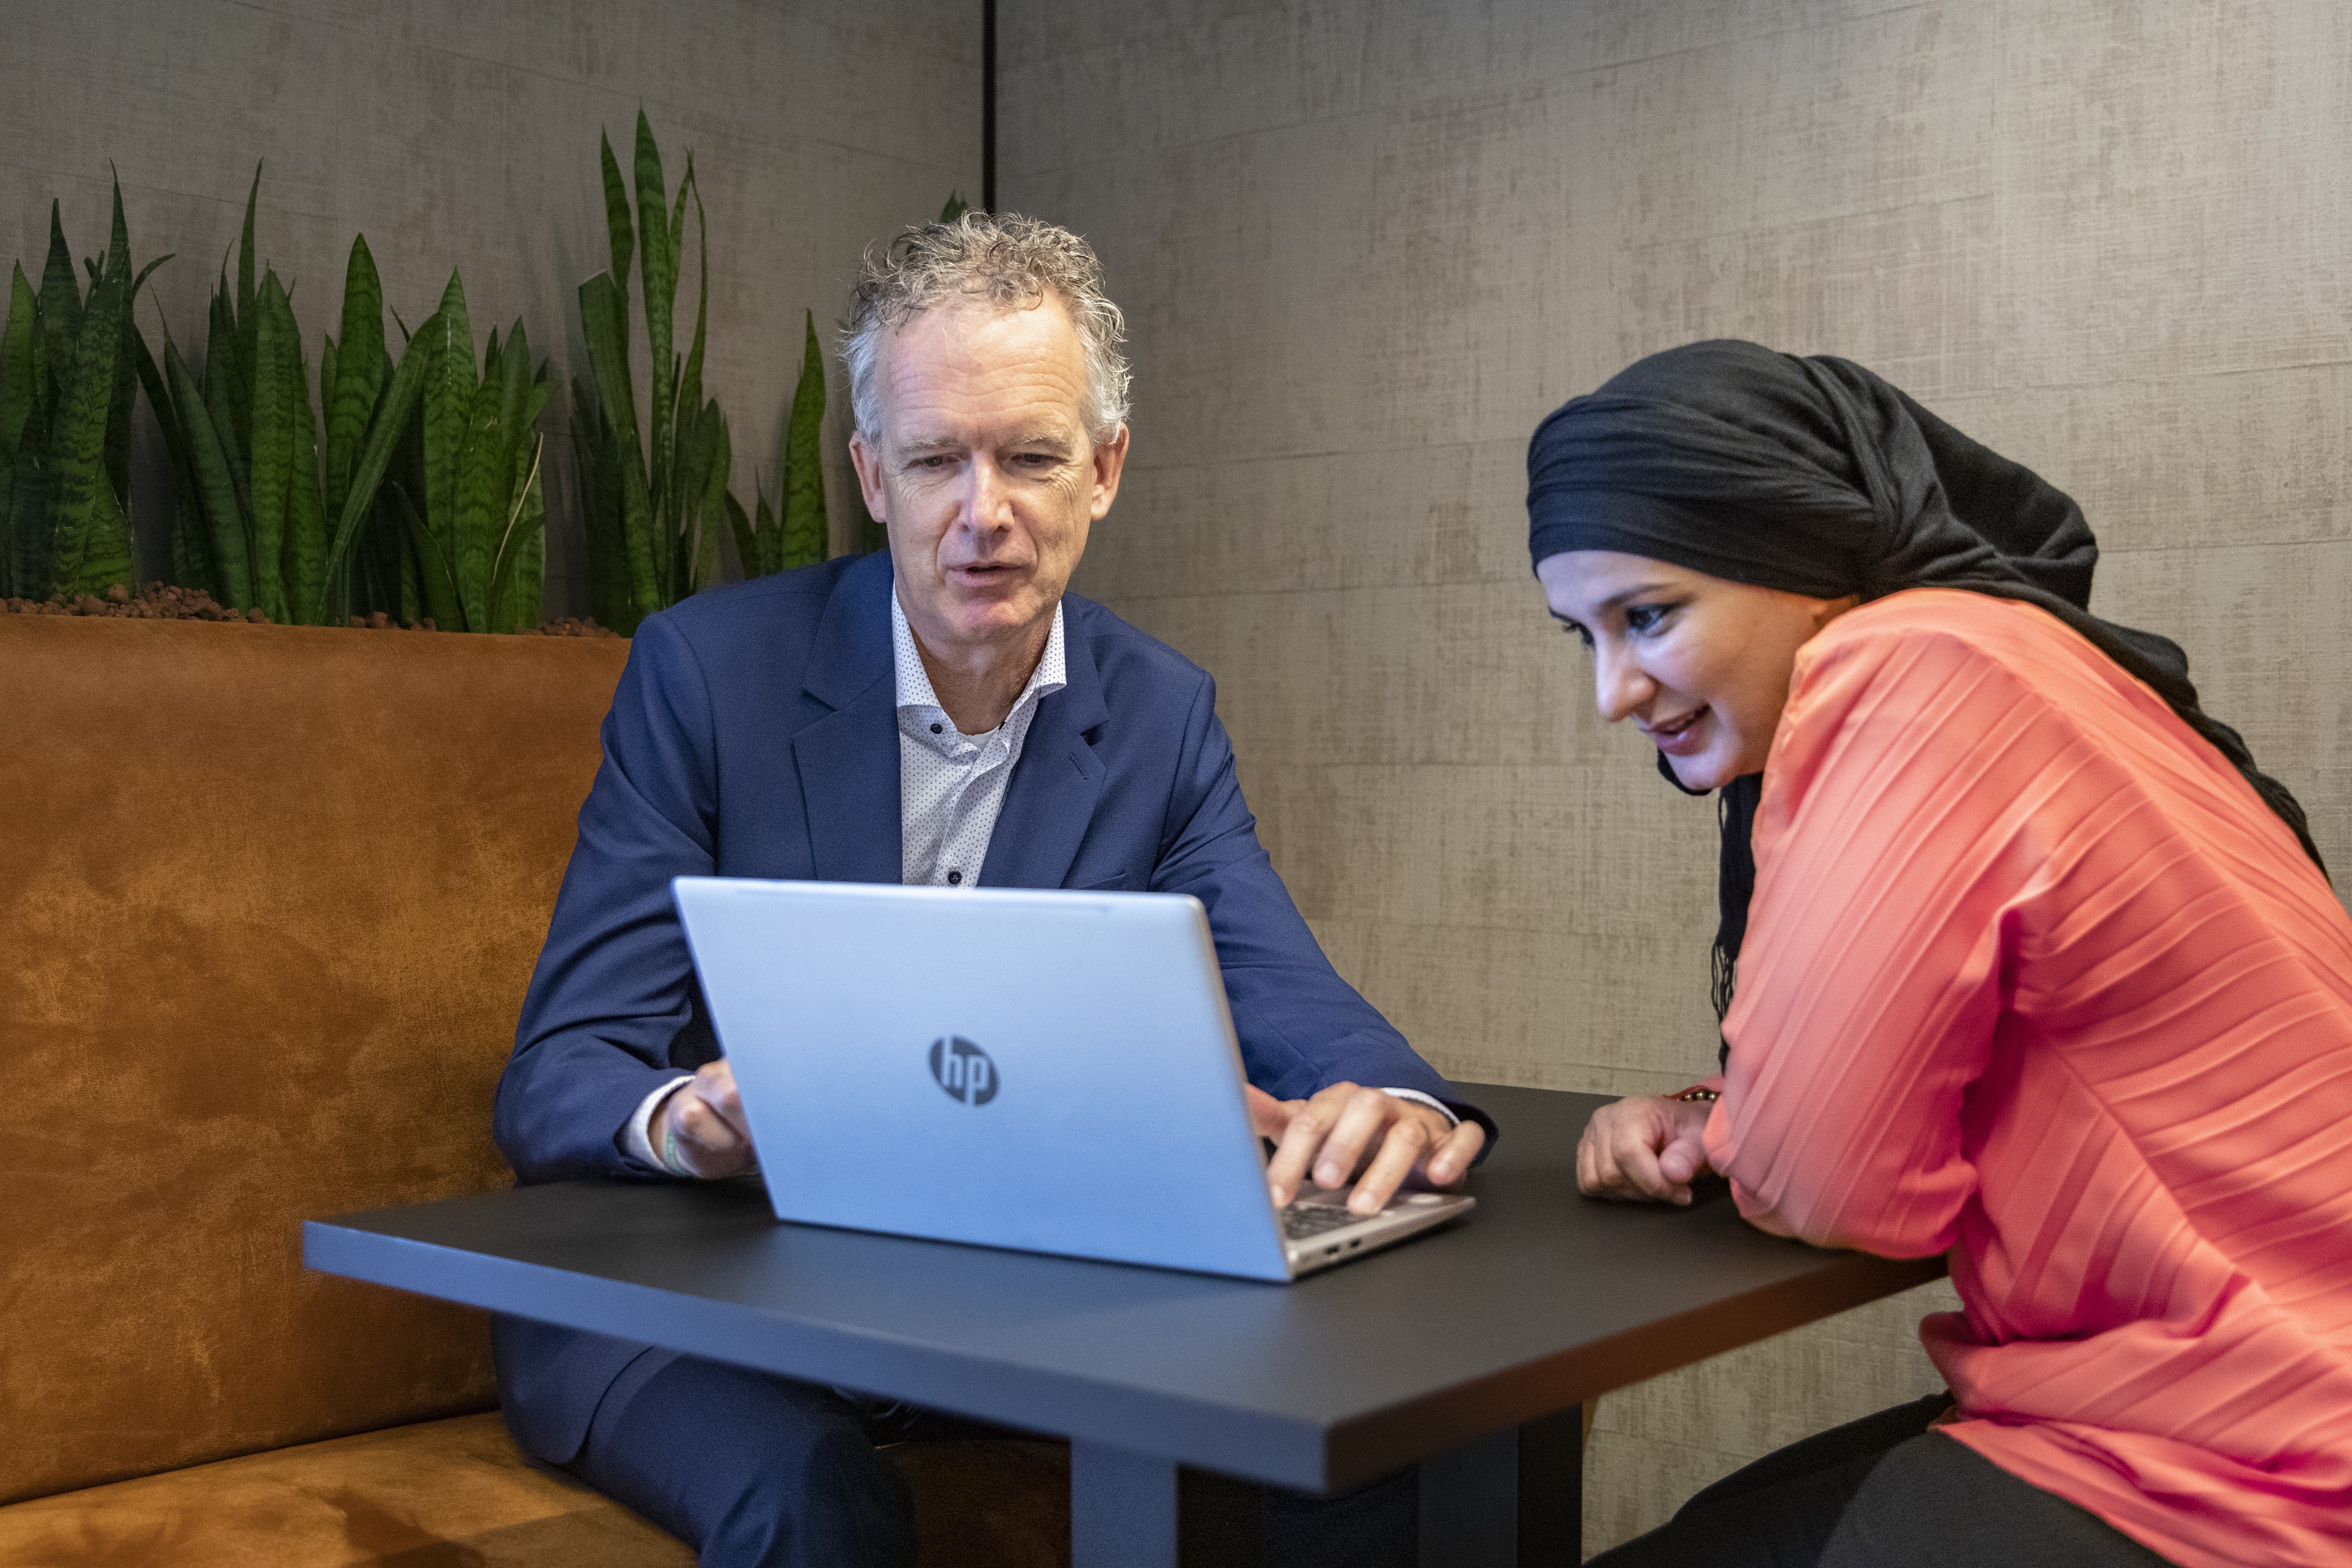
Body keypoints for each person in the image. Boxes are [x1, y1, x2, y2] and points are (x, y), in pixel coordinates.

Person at [490, 212, 1490, 1568]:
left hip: (1002, 1315)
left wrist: (1397, 1099)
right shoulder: (705, 677)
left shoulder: (1161, 715)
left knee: (1388, 1464)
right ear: (869, 475)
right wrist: (687, 1118)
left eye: (1030, 457)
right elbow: (562, 1066)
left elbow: (1282, 986)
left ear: (1107, 469)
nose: (984, 515)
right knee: (814, 1500)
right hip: (708, 1308)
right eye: (933, 461)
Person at [1528, 340, 2352, 1567]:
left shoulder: (1906, 670)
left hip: (2248, 1461)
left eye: (1648, 617)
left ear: (1803, 560)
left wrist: (1752, 1130)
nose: (1612, 692)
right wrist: (1726, 1109)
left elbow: (1840, 1187)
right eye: (1581, 635)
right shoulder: (2027, 658)